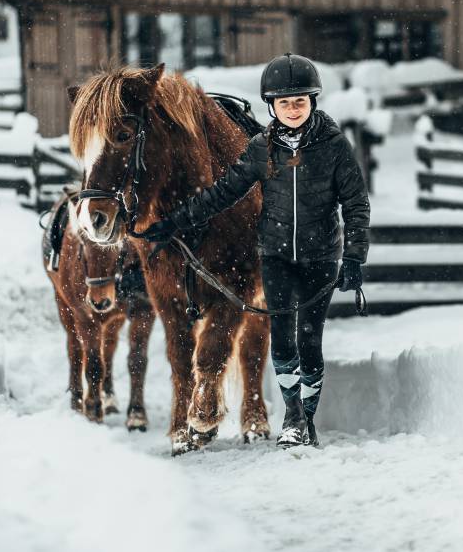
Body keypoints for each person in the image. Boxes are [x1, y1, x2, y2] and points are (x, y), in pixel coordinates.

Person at [143, 53, 370, 448]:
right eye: (284, 103)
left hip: (320, 258)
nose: (293, 109)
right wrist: (173, 223)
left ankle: (307, 419)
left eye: (300, 101)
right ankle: (294, 419)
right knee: (282, 340)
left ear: (313, 101)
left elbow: (356, 203)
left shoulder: (334, 147)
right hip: (276, 256)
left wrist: (353, 256)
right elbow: (222, 193)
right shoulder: (261, 149)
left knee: (310, 341)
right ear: (272, 106)